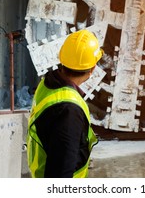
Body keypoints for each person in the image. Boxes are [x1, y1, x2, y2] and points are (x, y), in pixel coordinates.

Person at [27, 29, 103, 178]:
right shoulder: (69, 110)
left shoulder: (47, 84)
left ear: (62, 59)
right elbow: (61, 172)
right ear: (93, 69)